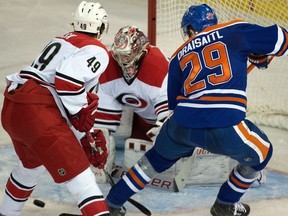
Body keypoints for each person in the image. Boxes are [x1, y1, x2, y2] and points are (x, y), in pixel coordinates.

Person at [105, 4, 288, 216]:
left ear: (191, 29)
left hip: (181, 124)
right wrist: (260, 53)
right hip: (223, 123)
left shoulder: (177, 56)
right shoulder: (235, 29)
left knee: (154, 160)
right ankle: (225, 204)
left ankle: (112, 202)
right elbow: (280, 38)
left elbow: (174, 102)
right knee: (263, 154)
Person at [0, 1, 111, 216]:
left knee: (29, 168)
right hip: (37, 111)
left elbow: (61, 89)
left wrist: (83, 136)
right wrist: (80, 114)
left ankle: (7, 212)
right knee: (83, 180)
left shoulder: (60, 39)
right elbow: (67, 81)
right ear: (101, 27)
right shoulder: (97, 49)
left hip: (14, 106)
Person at [92, 25, 170, 177]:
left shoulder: (159, 68)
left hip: (165, 118)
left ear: (141, 50)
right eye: (118, 55)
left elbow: (169, 120)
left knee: (168, 141)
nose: (122, 60)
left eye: (127, 55)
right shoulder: (107, 65)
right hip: (139, 118)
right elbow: (102, 125)